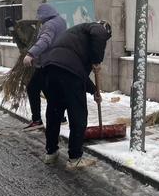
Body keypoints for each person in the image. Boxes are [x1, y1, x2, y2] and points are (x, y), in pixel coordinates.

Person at [41, 21, 112, 170]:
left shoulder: (76, 35)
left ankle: (51, 153)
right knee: (78, 115)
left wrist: (94, 91)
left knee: (54, 113)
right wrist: (97, 60)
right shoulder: (98, 28)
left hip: (50, 69)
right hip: (68, 73)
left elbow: (78, 72)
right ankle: (74, 158)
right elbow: (74, 71)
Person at [22, 4, 67, 129]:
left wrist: (31, 54)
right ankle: (61, 116)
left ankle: (37, 120)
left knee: (32, 87)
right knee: (49, 90)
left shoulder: (49, 25)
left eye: (40, 17)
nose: (39, 20)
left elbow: (45, 41)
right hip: (57, 61)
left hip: (47, 62)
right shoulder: (60, 21)